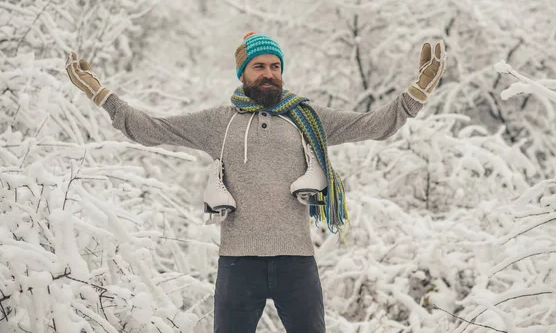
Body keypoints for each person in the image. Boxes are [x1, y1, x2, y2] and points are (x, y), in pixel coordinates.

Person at [65, 32, 446, 333]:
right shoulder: (220, 122)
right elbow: (151, 129)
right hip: (238, 262)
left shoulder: (306, 117)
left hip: (297, 260)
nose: (269, 73)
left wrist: (416, 93)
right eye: (259, 66)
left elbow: (372, 125)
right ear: (243, 74)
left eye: (275, 66)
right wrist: (104, 97)